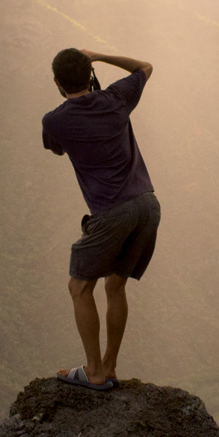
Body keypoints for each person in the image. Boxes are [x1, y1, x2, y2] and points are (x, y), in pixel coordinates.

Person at [42, 47, 161, 391]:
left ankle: (94, 371)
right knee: (115, 284)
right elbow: (145, 65)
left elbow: (56, 147)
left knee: (79, 286)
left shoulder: (55, 120)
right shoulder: (116, 98)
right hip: (148, 204)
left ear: (57, 82)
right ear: (89, 71)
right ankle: (109, 366)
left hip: (113, 211)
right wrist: (99, 55)